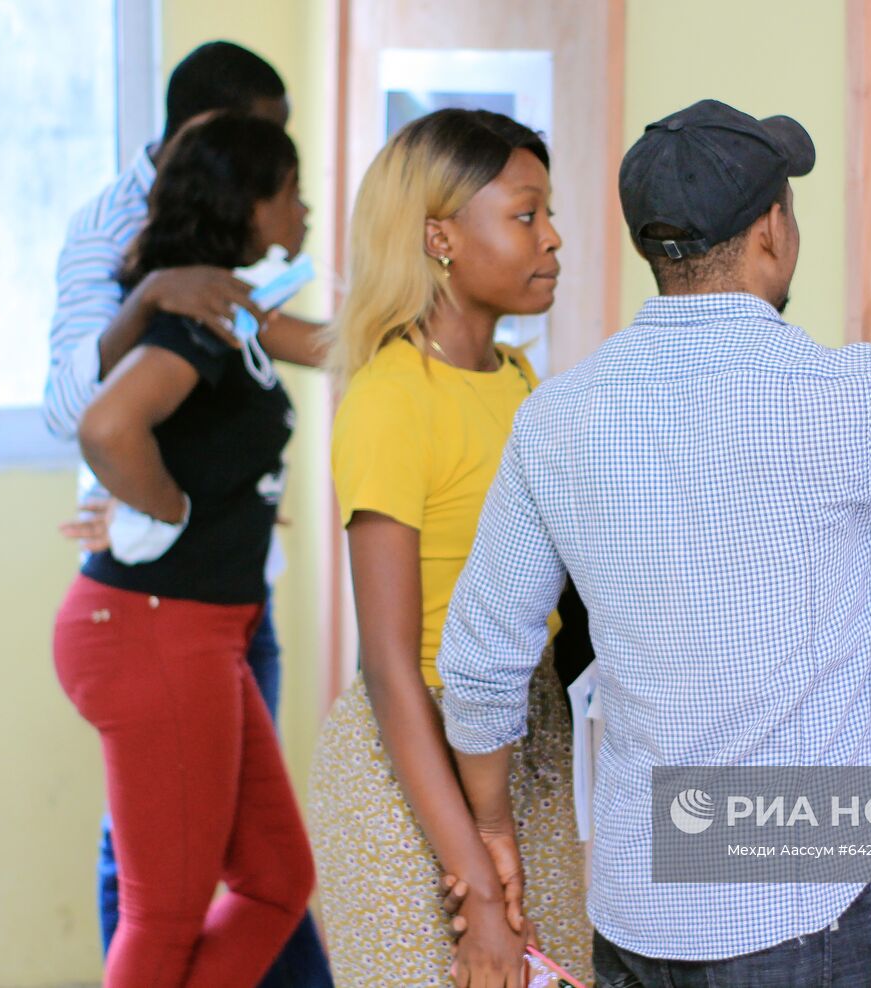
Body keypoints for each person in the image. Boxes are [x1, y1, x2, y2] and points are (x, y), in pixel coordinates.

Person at [435, 98, 871, 986]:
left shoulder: (558, 418)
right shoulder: (844, 399)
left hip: (636, 910)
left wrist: (494, 834)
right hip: (794, 916)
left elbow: (478, 663)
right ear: (772, 231)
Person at [43, 41, 332, 986]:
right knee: (163, 907)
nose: (304, 207)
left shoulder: (229, 306)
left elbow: (332, 345)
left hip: (211, 622)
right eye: (286, 181)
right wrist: (165, 513)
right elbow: (98, 420)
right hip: (156, 624)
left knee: (274, 878)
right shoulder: (182, 307)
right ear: (237, 181)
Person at [307, 108, 590, 988]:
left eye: (548, 215)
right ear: (439, 236)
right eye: (524, 215)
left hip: (528, 753)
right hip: (415, 779)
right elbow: (390, 666)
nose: (553, 239)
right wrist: (470, 872)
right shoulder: (391, 400)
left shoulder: (520, 383)